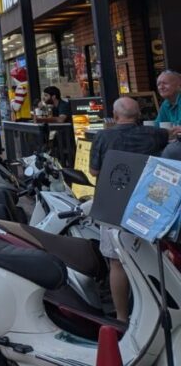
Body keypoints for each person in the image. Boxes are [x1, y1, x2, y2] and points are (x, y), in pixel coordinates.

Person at [89, 96, 169, 323]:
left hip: (112, 203)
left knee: (117, 262)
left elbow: (94, 172)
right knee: (152, 257)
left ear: (115, 116)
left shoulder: (103, 136)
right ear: (139, 116)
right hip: (149, 202)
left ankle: (123, 317)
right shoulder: (154, 135)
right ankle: (156, 311)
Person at [154, 70, 181, 141]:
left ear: (178, 84)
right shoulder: (165, 104)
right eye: (158, 84)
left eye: (165, 83)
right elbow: (157, 126)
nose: (161, 87)